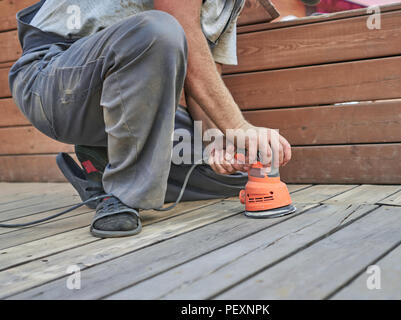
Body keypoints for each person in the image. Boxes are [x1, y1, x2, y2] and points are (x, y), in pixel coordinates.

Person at [9, 0, 292, 238]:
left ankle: (99, 170)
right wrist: (238, 126)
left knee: (233, 175)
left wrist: (215, 138)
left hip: (122, 96)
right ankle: (122, 195)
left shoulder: (230, 4)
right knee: (158, 30)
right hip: (55, 80)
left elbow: (203, 72)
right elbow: (175, 23)